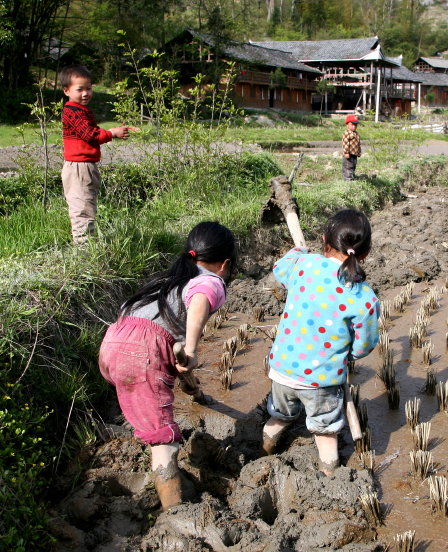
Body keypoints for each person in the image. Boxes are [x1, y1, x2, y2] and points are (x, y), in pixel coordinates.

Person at [98, 221, 236, 510]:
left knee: (148, 395)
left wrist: (182, 368)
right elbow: (200, 300)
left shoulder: (169, 278)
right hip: (142, 353)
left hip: (113, 343)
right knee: (165, 438)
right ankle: (174, 512)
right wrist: (191, 348)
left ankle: (145, 422)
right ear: (224, 264)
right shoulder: (210, 280)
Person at [261, 209, 380, 476]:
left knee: (279, 417)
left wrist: (297, 252)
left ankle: (264, 450)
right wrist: (349, 354)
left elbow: (280, 268)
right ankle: (328, 477)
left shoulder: (303, 266)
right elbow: (365, 345)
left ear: (325, 240)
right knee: (325, 432)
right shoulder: (364, 296)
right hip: (321, 380)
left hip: (281, 369)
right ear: (367, 252)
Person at [60, 65, 136, 244]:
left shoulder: (79, 111)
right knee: (82, 208)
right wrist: (111, 133)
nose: (85, 93)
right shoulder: (73, 112)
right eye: (80, 89)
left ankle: (86, 244)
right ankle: (84, 249)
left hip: (83, 166)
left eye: (89, 88)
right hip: (79, 167)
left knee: (87, 205)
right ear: (67, 91)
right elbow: (90, 134)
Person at [341, 114, 361, 181]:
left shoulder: (356, 133)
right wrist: (346, 152)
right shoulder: (347, 133)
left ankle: (352, 176)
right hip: (348, 154)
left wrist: (359, 152)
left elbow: (358, 144)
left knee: (353, 166)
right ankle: (348, 179)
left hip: (354, 154)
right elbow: (345, 143)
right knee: (348, 166)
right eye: (352, 124)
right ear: (347, 125)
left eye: (355, 125)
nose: (354, 126)